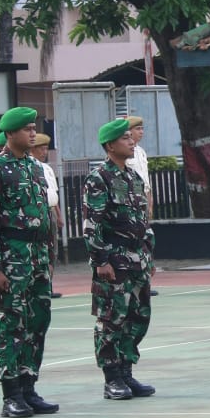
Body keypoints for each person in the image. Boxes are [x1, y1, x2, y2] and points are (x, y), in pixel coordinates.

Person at [0, 107, 59, 418]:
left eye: (33, 127)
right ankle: (11, 393)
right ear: (10, 134)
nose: (32, 133)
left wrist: (49, 257)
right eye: (26, 129)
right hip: (13, 256)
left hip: (37, 255)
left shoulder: (35, 168)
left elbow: (44, 216)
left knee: (38, 321)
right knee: (12, 322)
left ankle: (29, 385)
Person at [83, 118, 156, 400]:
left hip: (137, 260)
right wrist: (101, 261)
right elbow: (92, 225)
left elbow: (143, 221)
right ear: (110, 145)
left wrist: (147, 257)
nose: (132, 141)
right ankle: (112, 377)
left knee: (138, 316)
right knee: (112, 319)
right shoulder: (99, 179)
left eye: (131, 137)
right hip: (114, 259)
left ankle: (127, 372)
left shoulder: (133, 177)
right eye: (125, 138)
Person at [125, 115, 159, 296]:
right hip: (132, 200)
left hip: (143, 198)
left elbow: (146, 180)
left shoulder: (141, 152)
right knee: (134, 241)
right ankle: (134, 281)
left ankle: (146, 280)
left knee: (146, 240)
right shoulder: (125, 153)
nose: (141, 132)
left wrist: (150, 200)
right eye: (138, 129)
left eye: (142, 129)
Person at [29, 132, 63, 299]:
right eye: (41, 149)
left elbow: (53, 194)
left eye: (45, 149)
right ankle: (41, 285)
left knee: (52, 250)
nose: (44, 152)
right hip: (39, 212)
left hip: (51, 211)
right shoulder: (31, 167)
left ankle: (49, 284)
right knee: (41, 249)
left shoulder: (47, 168)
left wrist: (59, 215)